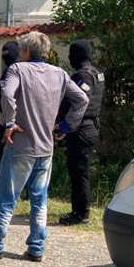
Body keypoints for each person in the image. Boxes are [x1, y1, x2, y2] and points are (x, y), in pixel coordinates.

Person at [0, 31, 88, 261]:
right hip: (46, 147)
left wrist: (10, 121)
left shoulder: (17, 70)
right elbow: (82, 99)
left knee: (6, 197)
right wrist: (65, 126)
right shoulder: (60, 74)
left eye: (21, 49)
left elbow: (7, 94)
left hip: (20, 145)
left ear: (26, 51)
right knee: (39, 200)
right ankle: (36, 248)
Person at [59, 39, 105, 226]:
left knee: (79, 171)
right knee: (79, 170)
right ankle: (78, 210)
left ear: (76, 56)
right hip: (89, 126)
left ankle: (81, 213)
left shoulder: (82, 75)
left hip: (81, 128)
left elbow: (79, 101)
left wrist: (64, 124)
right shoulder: (97, 73)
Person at [0, 41, 21, 191]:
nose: (4, 56)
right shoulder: (9, 72)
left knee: (14, 154)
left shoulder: (15, 71)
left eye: (7, 53)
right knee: (6, 153)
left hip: (14, 119)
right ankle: (4, 183)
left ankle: (13, 186)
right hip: (7, 118)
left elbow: (5, 96)